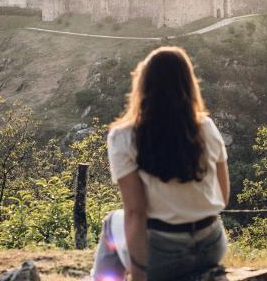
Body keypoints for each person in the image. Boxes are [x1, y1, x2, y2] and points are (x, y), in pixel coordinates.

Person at [92, 46, 230, 281]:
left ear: (143, 85)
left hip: (163, 255)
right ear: (188, 84)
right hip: (212, 246)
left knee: (111, 223)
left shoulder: (124, 136)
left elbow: (135, 212)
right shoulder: (206, 127)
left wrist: (139, 273)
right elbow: (223, 197)